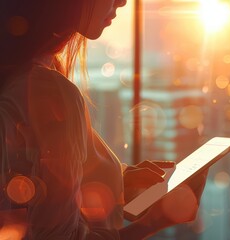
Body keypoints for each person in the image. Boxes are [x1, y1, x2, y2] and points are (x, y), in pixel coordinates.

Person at [0, 0, 207, 239]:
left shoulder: (20, 73)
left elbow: (32, 181)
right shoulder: (49, 91)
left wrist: (117, 180)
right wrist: (156, 221)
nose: (123, 1)